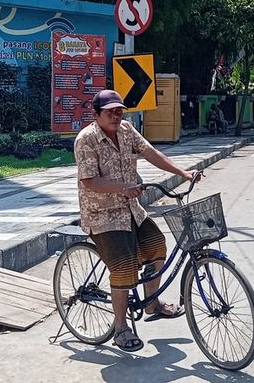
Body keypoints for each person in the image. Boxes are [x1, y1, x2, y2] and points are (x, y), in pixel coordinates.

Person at [74, 89, 197, 352]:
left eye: (119, 111)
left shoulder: (127, 130)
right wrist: (121, 187)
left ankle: (152, 302)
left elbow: (150, 153)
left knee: (156, 245)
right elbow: (89, 181)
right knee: (124, 267)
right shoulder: (86, 140)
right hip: (103, 215)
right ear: (96, 115)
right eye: (110, 112)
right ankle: (120, 328)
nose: (116, 116)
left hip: (131, 209)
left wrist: (182, 172)